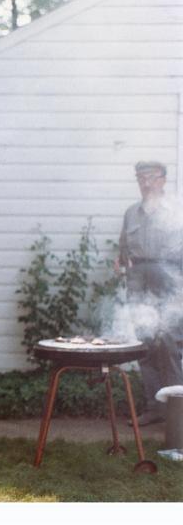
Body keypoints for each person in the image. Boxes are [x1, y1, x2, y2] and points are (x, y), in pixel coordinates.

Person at [117, 161, 183, 426]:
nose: (146, 183)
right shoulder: (131, 213)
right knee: (144, 344)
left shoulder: (176, 211)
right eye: (141, 178)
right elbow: (124, 249)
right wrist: (120, 261)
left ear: (163, 180)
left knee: (169, 342)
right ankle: (153, 408)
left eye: (151, 177)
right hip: (138, 279)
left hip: (168, 276)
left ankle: (178, 411)